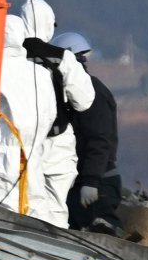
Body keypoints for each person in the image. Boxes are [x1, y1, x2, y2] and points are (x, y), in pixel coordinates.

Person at [0, 1, 92, 226]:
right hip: (48, 144)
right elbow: (82, 101)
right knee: (47, 209)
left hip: (0, 151)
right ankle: (51, 254)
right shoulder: (54, 63)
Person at [19, 0, 95, 226]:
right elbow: (84, 100)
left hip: (19, 141)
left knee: (24, 202)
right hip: (57, 139)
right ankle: (53, 255)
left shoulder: (8, 57)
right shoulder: (63, 58)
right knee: (56, 205)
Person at [49, 31, 124, 235]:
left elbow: (100, 140)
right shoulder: (69, 94)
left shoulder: (92, 93)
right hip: (79, 182)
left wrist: (91, 181)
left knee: (103, 239)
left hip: (98, 184)